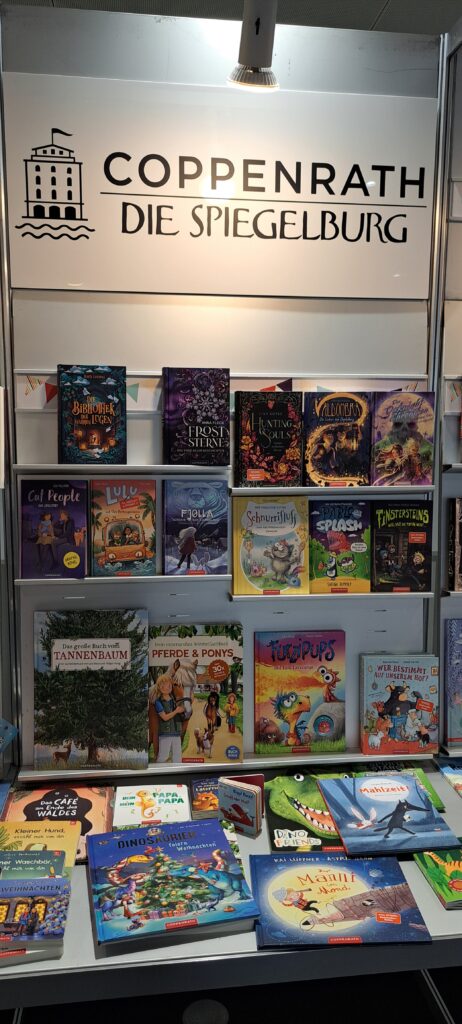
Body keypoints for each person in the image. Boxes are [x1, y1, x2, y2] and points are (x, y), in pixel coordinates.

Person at [152, 674, 184, 763]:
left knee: (178, 756)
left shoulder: (175, 700)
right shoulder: (158, 702)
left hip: (176, 733)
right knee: (163, 756)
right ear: (159, 687)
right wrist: (176, 711)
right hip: (165, 734)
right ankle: (158, 770)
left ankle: (177, 771)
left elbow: (182, 710)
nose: (167, 687)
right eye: (163, 685)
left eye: (169, 685)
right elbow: (165, 717)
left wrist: (182, 709)